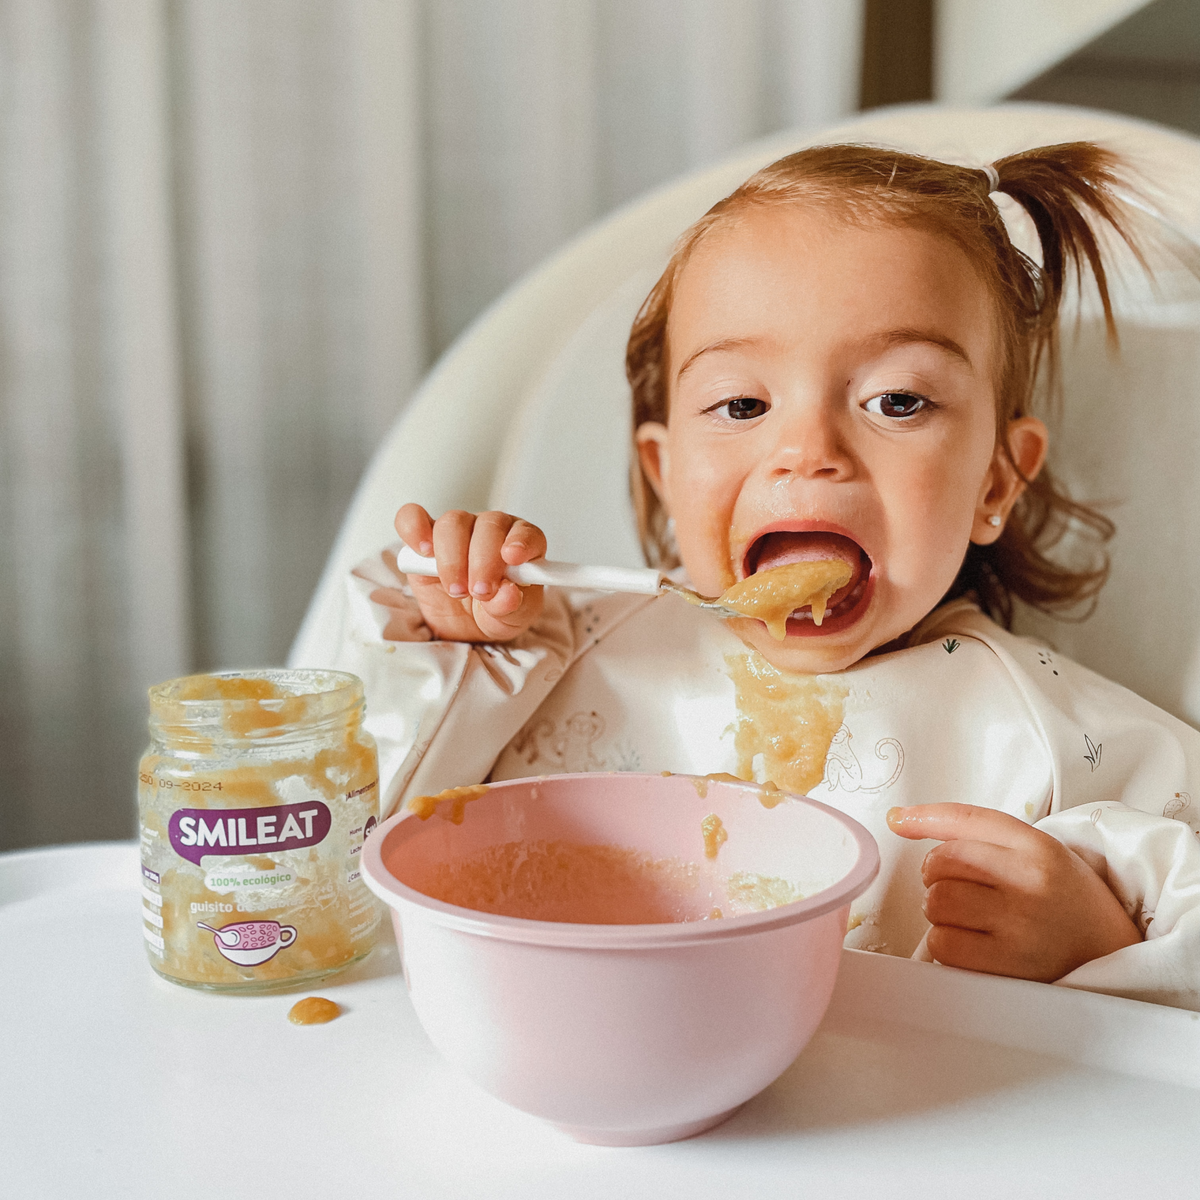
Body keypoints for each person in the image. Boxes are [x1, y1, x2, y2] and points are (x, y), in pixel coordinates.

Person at [321, 143, 1200, 1010]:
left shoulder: (1056, 741)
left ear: (996, 482)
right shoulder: (541, 653)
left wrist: (1098, 944)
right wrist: (450, 649)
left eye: (898, 401)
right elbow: (350, 842)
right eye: (742, 405)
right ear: (667, 474)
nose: (807, 453)